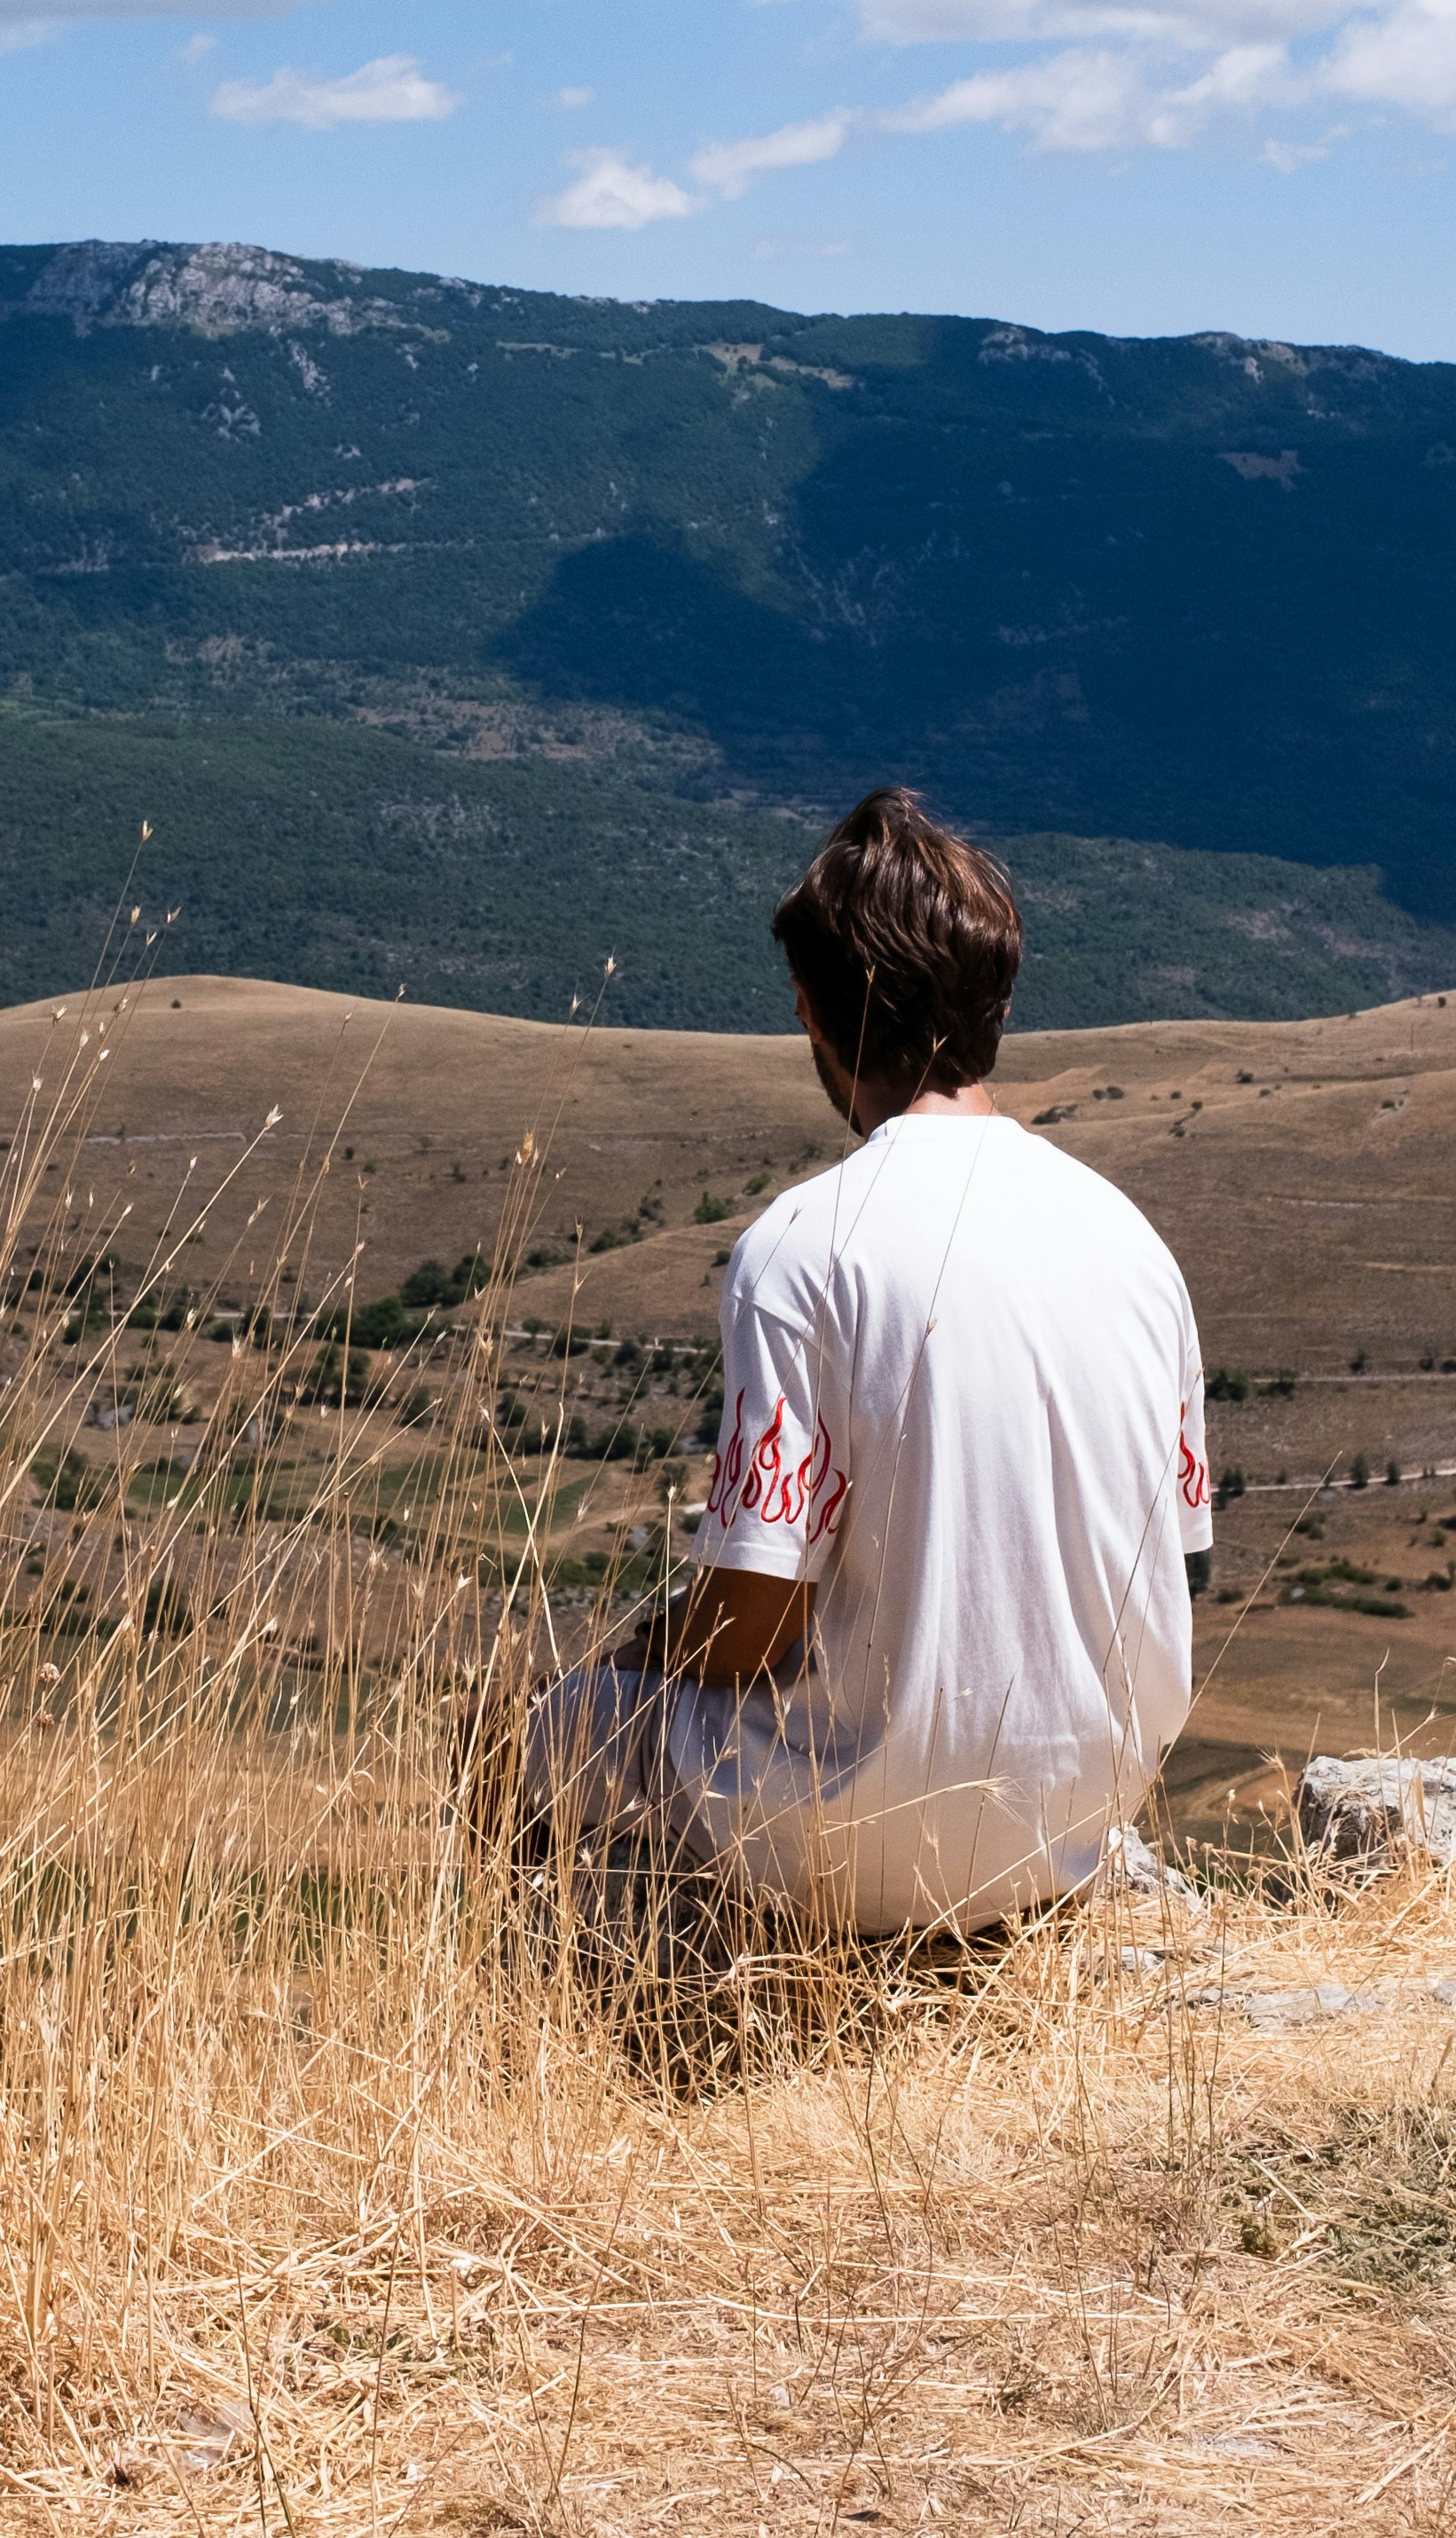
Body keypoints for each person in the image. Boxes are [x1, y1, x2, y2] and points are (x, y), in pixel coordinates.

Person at [511, 786, 1210, 1953]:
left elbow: (752, 1630)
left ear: (813, 1014)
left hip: (859, 1828)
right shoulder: (1133, 1243)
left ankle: (586, 2037)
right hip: (1082, 1808)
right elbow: (1185, 1568)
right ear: (995, 998)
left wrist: (647, 1644)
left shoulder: (800, 1251)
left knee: (544, 1733)